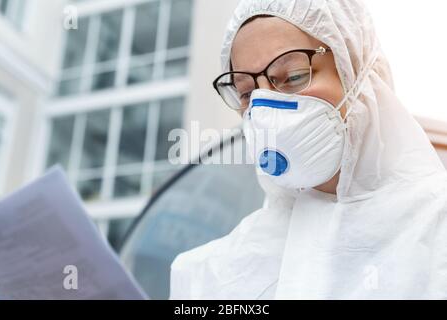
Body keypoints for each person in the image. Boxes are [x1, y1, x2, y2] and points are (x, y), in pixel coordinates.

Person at [169, 0, 447, 299]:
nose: (264, 111)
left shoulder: (435, 228)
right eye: (247, 93)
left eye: (293, 77)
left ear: (359, 74)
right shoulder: (208, 274)